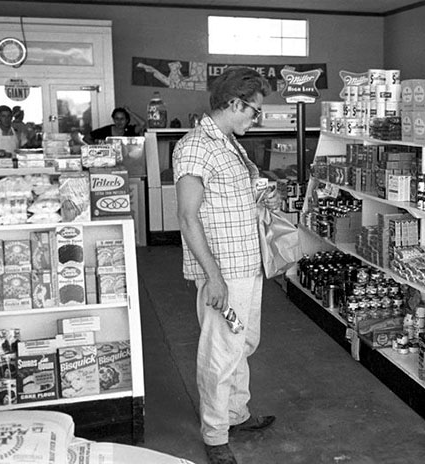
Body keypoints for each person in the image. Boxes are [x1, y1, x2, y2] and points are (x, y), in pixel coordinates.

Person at [172, 67, 276, 464]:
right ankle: (215, 434)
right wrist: (213, 276)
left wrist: (259, 203)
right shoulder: (196, 146)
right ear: (234, 103)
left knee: (242, 345)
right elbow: (187, 216)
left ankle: (236, 413)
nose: (256, 118)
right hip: (225, 270)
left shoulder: (229, 143)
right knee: (221, 350)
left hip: (247, 263)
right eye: (253, 110)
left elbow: (227, 203)